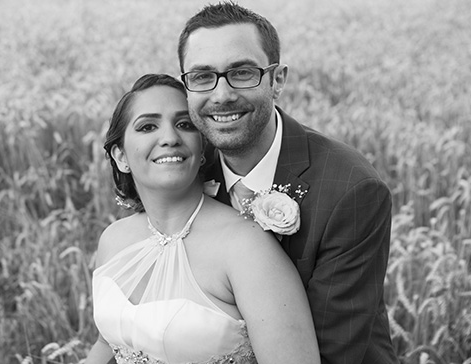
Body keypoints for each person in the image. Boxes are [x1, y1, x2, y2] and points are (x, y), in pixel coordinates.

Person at [177, 1, 398, 364]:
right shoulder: (187, 172)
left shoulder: (351, 190)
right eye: (202, 76)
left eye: (242, 73)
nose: (221, 95)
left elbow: (333, 352)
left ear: (277, 79)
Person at [86, 74, 319, 364]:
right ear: (120, 155)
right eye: (147, 126)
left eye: (184, 125)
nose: (170, 138)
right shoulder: (113, 239)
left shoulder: (246, 247)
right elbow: (106, 344)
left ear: (201, 151)